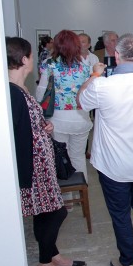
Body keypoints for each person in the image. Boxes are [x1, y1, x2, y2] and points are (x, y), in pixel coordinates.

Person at [77, 33, 133, 266]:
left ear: (116, 56)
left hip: (112, 165)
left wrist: (94, 74)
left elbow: (81, 102)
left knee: (120, 214)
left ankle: (128, 260)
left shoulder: (102, 85)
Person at [8, 37, 86, 266]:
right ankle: (45, 264)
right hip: (32, 166)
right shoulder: (12, 93)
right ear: (23, 60)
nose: (34, 59)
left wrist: (45, 127)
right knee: (54, 212)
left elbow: (28, 123)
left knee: (47, 212)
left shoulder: (20, 89)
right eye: (30, 56)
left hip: (41, 161)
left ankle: (53, 256)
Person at [36, 30, 92, 184]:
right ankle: (82, 190)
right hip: (81, 117)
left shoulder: (49, 64)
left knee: (61, 157)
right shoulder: (84, 65)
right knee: (78, 156)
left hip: (58, 119)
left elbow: (41, 92)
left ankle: (67, 199)